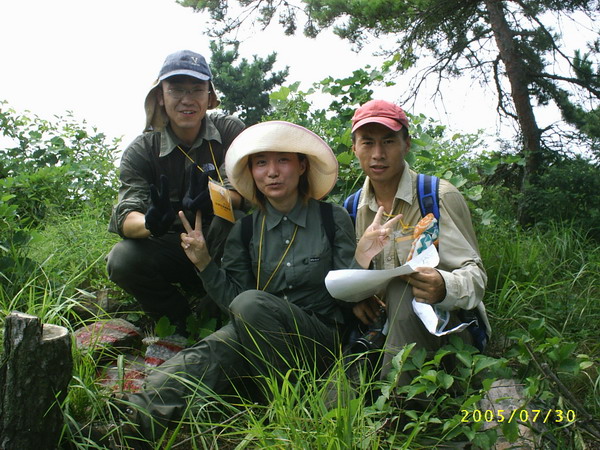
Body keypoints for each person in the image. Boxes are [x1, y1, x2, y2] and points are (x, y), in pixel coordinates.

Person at [116, 121, 359, 441]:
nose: (272, 172)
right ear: (252, 172)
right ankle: (131, 422)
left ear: (302, 166)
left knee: (249, 306)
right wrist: (204, 262)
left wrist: (365, 258)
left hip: (318, 337)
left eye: (283, 160)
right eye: (261, 163)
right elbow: (234, 301)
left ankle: (288, 406)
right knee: (206, 355)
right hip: (259, 335)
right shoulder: (245, 230)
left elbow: (347, 292)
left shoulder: (331, 217)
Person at [349, 99, 491, 382]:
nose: (378, 154)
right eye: (367, 143)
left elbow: (475, 276)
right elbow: (348, 278)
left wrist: (443, 287)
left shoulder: (437, 197)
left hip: (446, 333)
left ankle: (398, 402)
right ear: (354, 149)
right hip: (379, 333)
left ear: (407, 144)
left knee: (403, 289)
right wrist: (355, 298)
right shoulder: (351, 209)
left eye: (388, 141)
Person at [106, 50, 245, 334]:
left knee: (240, 222)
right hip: (173, 249)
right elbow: (126, 215)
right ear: (160, 96)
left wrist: (214, 199)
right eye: (177, 90)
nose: (187, 99)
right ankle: (179, 321)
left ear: (209, 96)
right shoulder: (141, 151)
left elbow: (243, 191)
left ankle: (221, 314)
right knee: (122, 259)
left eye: (196, 89)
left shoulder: (229, 131)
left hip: (224, 246)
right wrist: (150, 222)